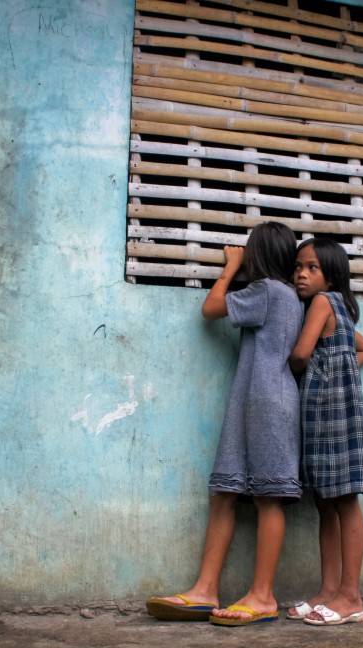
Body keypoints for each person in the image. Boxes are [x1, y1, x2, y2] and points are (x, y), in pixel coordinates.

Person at [146, 221, 304, 627]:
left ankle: (263, 596)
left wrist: (230, 268)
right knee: (224, 490)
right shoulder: (287, 296)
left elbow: (211, 309)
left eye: (249, 251)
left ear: (258, 254)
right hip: (249, 400)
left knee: (268, 496)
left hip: (268, 403)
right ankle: (204, 590)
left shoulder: (269, 290)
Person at [286, 238, 363, 626]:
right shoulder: (341, 308)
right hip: (336, 412)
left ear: (332, 275)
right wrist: (341, 367)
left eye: (311, 268)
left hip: (330, 415)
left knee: (343, 501)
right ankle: (328, 591)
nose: (301, 274)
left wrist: (293, 369)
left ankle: (351, 596)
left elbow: (302, 354)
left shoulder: (323, 304)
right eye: (298, 267)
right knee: (327, 502)